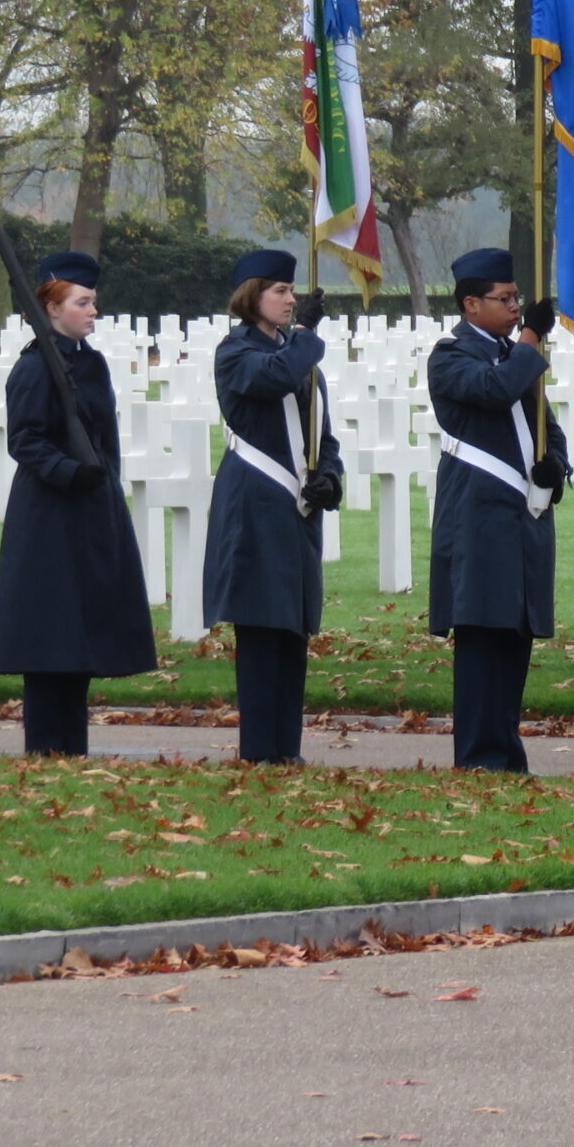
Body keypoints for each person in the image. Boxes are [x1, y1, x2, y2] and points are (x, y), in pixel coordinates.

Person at [0, 250, 158, 755]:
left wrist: (104, 487)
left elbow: (105, 437)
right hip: (48, 515)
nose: (92, 311)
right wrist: (70, 472)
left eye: (93, 302)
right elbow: (26, 439)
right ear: (52, 308)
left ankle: (72, 749)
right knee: (50, 636)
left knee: (81, 636)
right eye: (82, 302)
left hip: (91, 511)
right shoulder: (36, 366)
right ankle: (45, 748)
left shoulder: (92, 363)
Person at [426, 248, 568, 772]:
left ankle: (506, 752)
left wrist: (556, 463)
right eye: (504, 299)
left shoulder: (514, 353)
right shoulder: (450, 355)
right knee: (484, 637)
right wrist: (530, 340)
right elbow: (493, 391)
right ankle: (480, 756)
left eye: (517, 298)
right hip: (478, 516)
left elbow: (541, 421)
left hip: (521, 516)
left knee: (515, 636)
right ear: (471, 304)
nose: (515, 308)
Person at [201, 249, 342, 766]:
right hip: (255, 502)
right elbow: (274, 377)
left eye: (291, 290)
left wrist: (329, 477)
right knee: (261, 630)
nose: (290, 298)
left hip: (295, 508)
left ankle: (288, 751)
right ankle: (259, 751)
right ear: (251, 296)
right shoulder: (235, 352)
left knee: (290, 632)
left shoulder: (297, 353)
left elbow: (321, 431)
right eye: (279, 290)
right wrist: (305, 335)